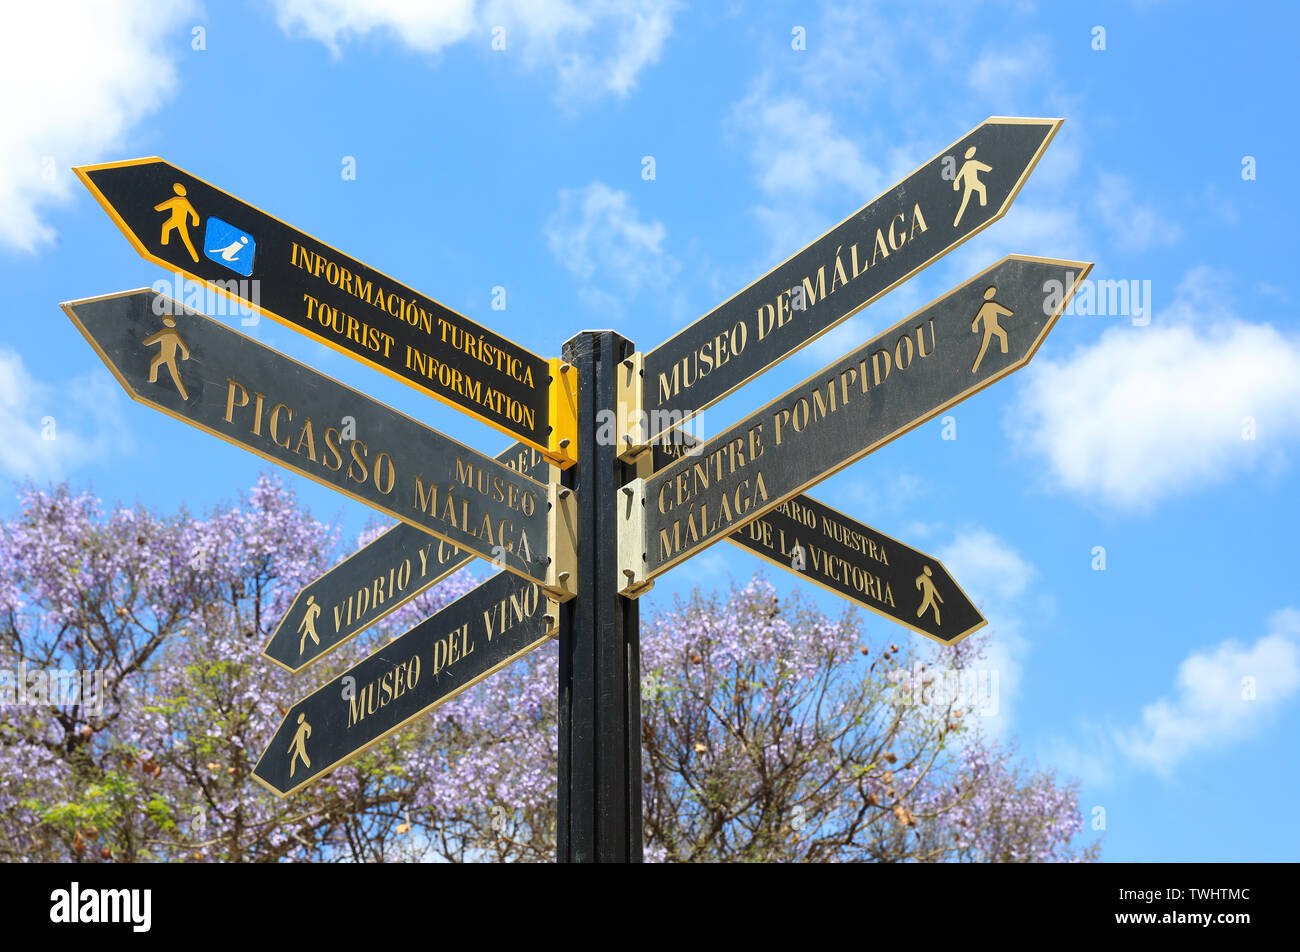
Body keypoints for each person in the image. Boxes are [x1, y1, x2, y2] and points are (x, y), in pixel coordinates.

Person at [142, 316, 191, 400]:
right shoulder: (164, 333)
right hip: (163, 355)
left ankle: (185, 396)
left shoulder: (173, 334)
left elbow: (184, 347)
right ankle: (152, 380)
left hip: (170, 357)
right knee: (154, 363)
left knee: (175, 376)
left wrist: (185, 356)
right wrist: (145, 343)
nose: (167, 323)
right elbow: (154, 339)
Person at [970, 285, 1013, 374]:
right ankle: (974, 368)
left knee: (1002, 335)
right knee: (985, 346)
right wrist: (1011, 314)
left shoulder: (987, 305)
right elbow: (1004, 311)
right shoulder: (989, 305)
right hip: (990, 328)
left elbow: (1003, 311)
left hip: (992, 327)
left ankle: (1005, 355)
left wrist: (1010, 313)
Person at [154, 183, 200, 262]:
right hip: (175, 220)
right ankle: (164, 247)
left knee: (185, 239)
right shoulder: (180, 201)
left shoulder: (181, 201)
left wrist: (158, 208)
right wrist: (157, 208)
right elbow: (165, 205)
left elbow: (193, 213)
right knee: (166, 227)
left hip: (180, 222)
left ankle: (196, 258)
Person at [952, 146, 992, 228]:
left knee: (964, 202)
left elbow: (959, 176)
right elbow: (985, 168)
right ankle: (984, 209)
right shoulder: (974, 162)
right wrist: (990, 168)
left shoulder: (966, 164)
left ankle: (956, 222)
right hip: (973, 183)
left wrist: (957, 182)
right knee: (982, 188)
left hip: (969, 184)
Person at [288, 713, 312, 778]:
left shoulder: (304, 724)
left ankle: (310, 766)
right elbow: (294, 739)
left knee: (303, 756)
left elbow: (309, 728)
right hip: (298, 745)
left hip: (301, 744)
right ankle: (291, 775)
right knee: (293, 759)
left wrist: (308, 736)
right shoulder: (299, 728)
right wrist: (290, 749)